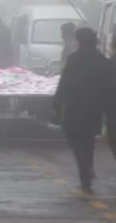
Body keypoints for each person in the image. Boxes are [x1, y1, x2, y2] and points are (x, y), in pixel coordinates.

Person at [53, 27, 111, 193]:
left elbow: (63, 84)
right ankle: (87, 175)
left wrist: (56, 105)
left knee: (74, 139)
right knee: (88, 141)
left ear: (79, 41)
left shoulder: (74, 59)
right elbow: (108, 88)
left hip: (74, 107)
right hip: (94, 109)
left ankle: (85, 170)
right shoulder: (103, 61)